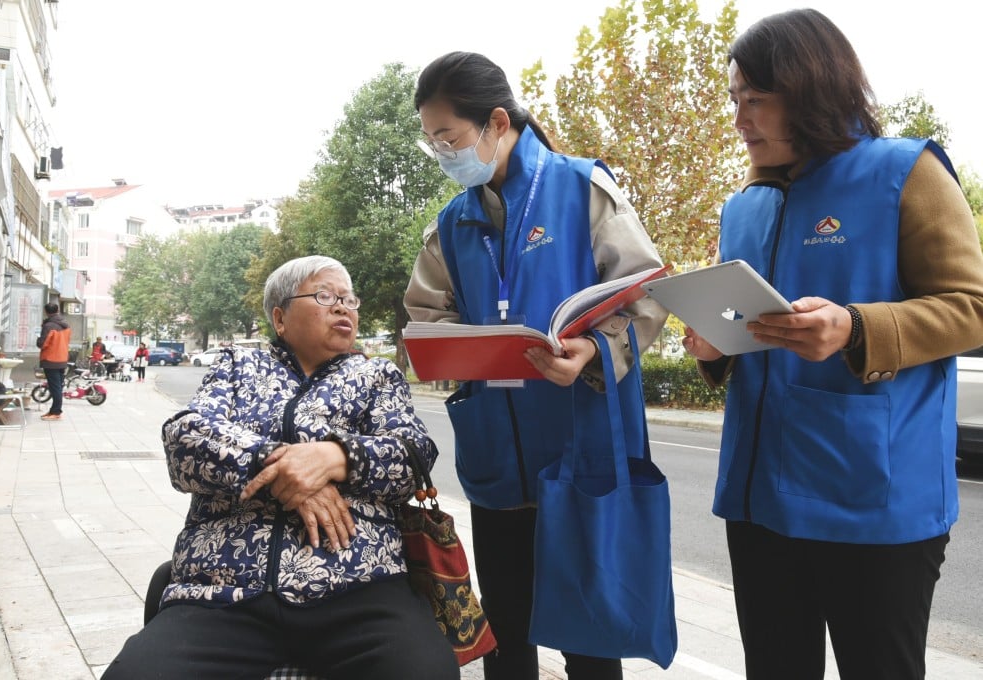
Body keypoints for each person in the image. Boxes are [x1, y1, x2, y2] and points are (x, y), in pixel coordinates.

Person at [680, 10, 983, 680]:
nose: (740, 119)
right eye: (735, 100)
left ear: (812, 89)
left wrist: (857, 328)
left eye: (756, 100)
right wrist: (712, 348)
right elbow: (744, 327)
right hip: (760, 502)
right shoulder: (744, 206)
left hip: (874, 501)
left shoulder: (905, 172)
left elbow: (972, 307)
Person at [404, 52, 668, 680]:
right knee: (506, 632)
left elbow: (645, 295)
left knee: (590, 635)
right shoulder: (454, 222)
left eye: (451, 137)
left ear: (496, 122)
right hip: (497, 451)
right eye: (433, 141)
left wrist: (596, 350)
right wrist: (450, 350)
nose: (443, 153)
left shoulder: (582, 188)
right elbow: (423, 314)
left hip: (579, 444)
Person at [102, 256, 459, 680]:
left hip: (360, 589)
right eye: (325, 296)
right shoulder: (238, 366)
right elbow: (185, 440)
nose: (344, 307)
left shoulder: (377, 375)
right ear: (280, 317)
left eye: (349, 299)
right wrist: (281, 466)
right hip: (225, 591)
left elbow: (412, 453)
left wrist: (335, 457)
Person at [36, 302, 71, 421]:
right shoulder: (65, 325)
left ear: (46, 311)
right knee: (58, 387)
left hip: (51, 359)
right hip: (62, 358)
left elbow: (42, 343)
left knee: (55, 387)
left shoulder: (49, 326)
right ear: (57, 310)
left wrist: (38, 339)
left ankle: (56, 412)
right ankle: (53, 410)